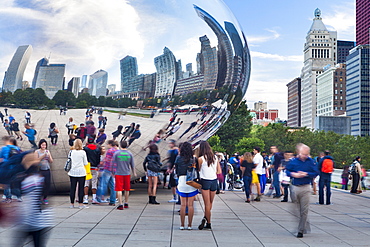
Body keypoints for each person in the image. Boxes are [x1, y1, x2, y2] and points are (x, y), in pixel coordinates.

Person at [13, 154, 53, 247]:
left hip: (32, 220)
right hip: (42, 220)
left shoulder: (30, 180)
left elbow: (31, 202)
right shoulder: (39, 177)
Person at [286, 143, 319, 238]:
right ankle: (305, 224)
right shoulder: (294, 161)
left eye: (306, 154)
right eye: (303, 154)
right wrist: (293, 174)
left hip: (306, 187)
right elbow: (287, 171)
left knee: (304, 210)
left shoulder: (311, 162)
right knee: (295, 208)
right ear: (299, 153)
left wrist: (306, 174)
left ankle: (300, 230)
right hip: (295, 186)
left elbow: (316, 172)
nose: (304, 156)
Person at [197, 141, 221, 231]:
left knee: (206, 204)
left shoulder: (201, 159)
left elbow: (198, 170)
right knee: (210, 203)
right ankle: (205, 218)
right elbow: (219, 171)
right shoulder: (215, 158)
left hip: (205, 181)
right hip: (214, 181)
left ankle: (208, 222)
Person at [175, 142, 198, 230]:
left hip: (182, 181)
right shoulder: (193, 159)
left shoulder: (178, 158)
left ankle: (182, 224)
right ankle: (190, 225)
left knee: (183, 205)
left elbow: (176, 170)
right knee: (191, 205)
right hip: (191, 182)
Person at [112, 140, 136, 210]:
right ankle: (126, 202)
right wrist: (134, 172)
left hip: (118, 173)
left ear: (120, 145)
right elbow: (132, 164)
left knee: (119, 189)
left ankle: (120, 204)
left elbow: (113, 163)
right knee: (127, 189)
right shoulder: (130, 154)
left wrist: (112, 171)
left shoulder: (116, 153)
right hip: (127, 173)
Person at [0, 136, 22, 202]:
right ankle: (19, 196)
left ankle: (8, 197)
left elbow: (1, 159)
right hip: (15, 169)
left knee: (7, 184)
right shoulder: (17, 148)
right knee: (15, 183)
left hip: (6, 168)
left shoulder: (4, 148)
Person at [68, 139, 89, 209]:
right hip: (81, 172)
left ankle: (71, 204)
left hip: (72, 171)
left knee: (72, 188)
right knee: (81, 188)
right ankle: (80, 204)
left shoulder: (71, 152)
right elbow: (85, 163)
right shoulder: (83, 152)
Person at [97, 140, 119, 205]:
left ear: (110, 144)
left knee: (103, 184)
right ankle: (112, 201)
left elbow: (107, 160)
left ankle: (99, 198)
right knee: (113, 186)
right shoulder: (117, 151)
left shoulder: (110, 151)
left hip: (108, 169)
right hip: (114, 171)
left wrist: (100, 165)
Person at [82, 137, 101, 204]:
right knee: (94, 183)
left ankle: (86, 198)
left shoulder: (85, 149)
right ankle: (94, 197)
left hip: (87, 167)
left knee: (86, 183)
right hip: (94, 167)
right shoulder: (97, 149)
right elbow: (98, 159)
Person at [35, 139, 53, 204]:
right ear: (40, 145)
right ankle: (39, 198)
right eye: (42, 145)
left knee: (47, 184)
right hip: (40, 170)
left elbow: (51, 161)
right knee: (40, 185)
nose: (44, 146)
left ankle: (45, 197)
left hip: (47, 169)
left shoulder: (47, 151)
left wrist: (48, 156)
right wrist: (43, 156)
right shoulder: (37, 151)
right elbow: (36, 161)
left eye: (45, 145)